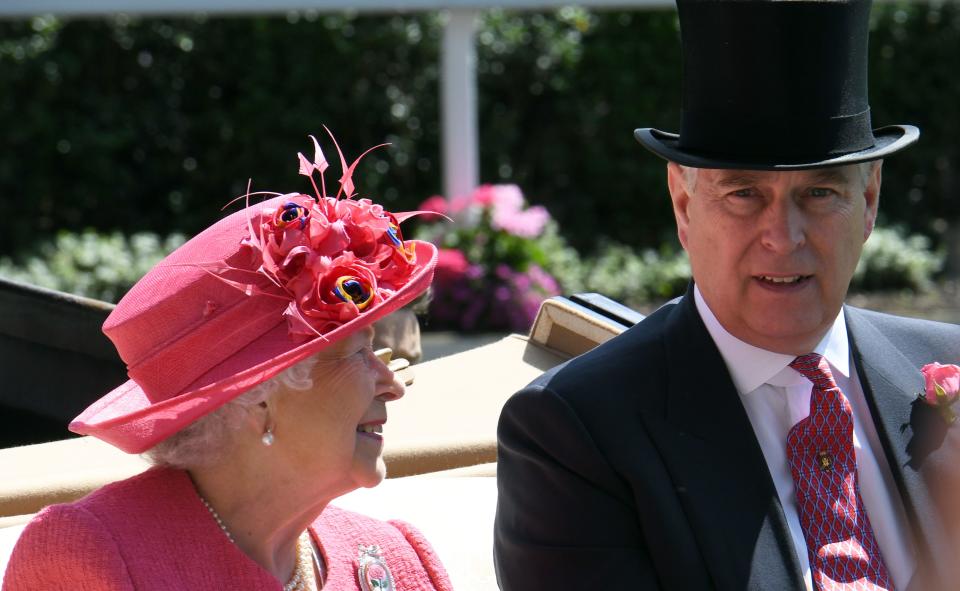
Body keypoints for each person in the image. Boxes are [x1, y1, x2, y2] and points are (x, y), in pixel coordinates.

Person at [494, 1, 960, 590]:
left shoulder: (948, 369)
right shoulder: (576, 434)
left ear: (868, 202)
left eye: (819, 193)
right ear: (684, 205)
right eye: (744, 194)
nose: (783, 237)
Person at [3, 133, 452, 591]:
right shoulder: (93, 556)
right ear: (258, 395)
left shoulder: (397, 559)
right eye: (357, 353)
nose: (392, 384)